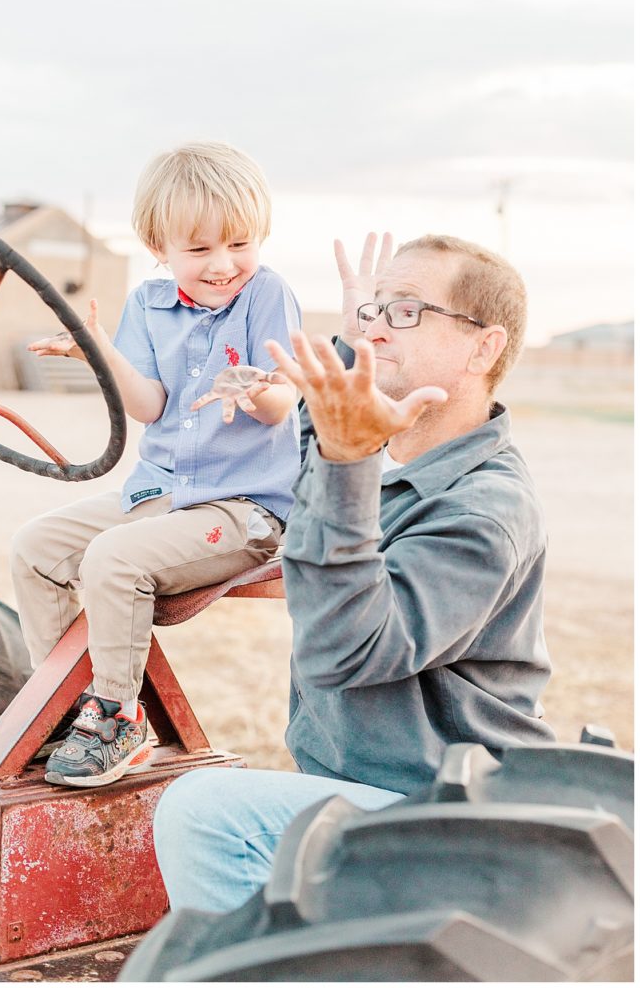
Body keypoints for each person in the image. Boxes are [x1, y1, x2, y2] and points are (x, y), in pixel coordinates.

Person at [152, 231, 555, 913]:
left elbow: (348, 651)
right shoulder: (404, 469)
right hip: (382, 785)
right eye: (372, 309)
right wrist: (349, 359)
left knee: (202, 810)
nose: (376, 325)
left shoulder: (486, 510)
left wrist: (346, 460)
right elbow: (320, 461)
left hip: (447, 811)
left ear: (483, 346)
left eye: (405, 310)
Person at [10, 142, 301, 788]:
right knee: (35, 548)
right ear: (158, 249)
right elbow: (149, 403)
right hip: (163, 493)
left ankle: (118, 716)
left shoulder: (266, 295)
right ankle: (67, 709)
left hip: (241, 509)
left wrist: (251, 389)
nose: (224, 265)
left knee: (114, 558)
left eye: (240, 243)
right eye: (199, 250)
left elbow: (283, 403)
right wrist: (101, 356)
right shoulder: (148, 304)